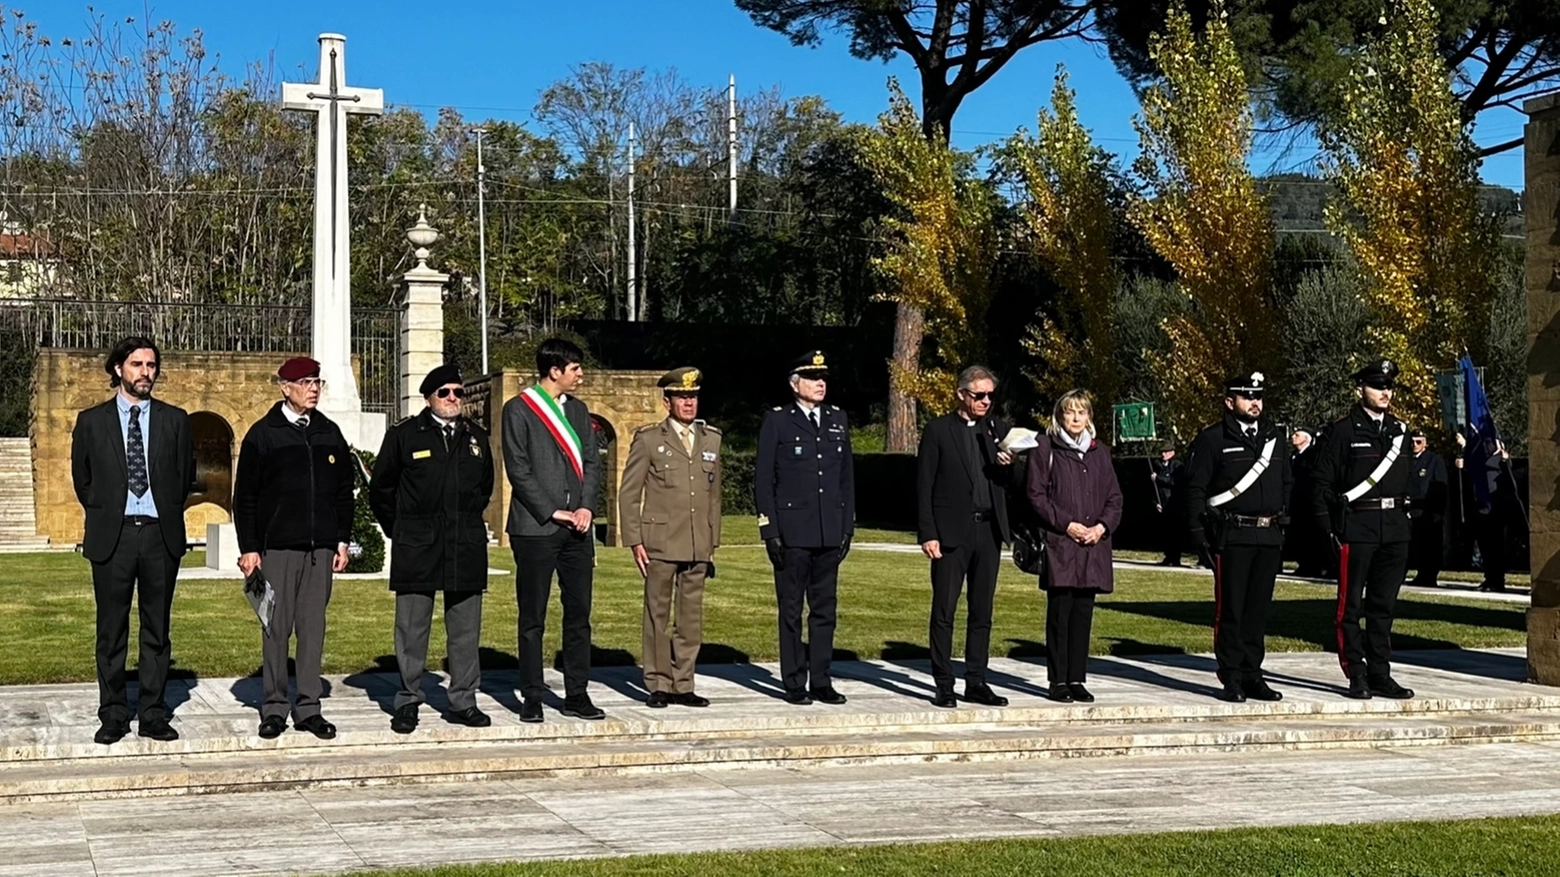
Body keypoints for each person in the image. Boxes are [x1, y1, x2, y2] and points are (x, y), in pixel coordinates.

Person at [70, 336, 195, 745]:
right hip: (115, 536)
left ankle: (154, 713)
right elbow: (83, 481)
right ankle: (113, 713)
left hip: (160, 535)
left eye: (152, 365)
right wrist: (109, 512)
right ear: (118, 369)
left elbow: (183, 477)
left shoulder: (176, 420)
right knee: (111, 630)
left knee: (157, 630)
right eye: (137, 364)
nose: (146, 372)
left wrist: (159, 512)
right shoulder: (91, 421)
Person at [233, 356, 356, 739]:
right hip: (278, 549)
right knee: (275, 626)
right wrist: (250, 547)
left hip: (320, 550)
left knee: (312, 629)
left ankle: (308, 708)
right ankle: (273, 706)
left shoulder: (329, 433)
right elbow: (246, 497)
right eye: (305, 382)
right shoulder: (263, 434)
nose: (313, 388)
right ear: (284, 387)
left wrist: (342, 539)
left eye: (317, 382)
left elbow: (343, 493)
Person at [369, 364, 495, 734]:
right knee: (411, 628)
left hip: (464, 543)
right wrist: (402, 530)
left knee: (465, 630)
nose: (454, 398)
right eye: (445, 393)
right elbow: (382, 490)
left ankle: (463, 700)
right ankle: (408, 700)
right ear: (429, 398)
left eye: (458, 392)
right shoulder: (405, 435)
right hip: (417, 545)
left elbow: (484, 488)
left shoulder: (477, 437)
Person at [502, 337, 604, 722]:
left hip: (577, 530)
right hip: (536, 528)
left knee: (579, 614)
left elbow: (592, 463)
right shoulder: (519, 410)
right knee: (533, 617)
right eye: (575, 368)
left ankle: (577, 693)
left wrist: (585, 507)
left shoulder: (579, 411)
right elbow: (518, 469)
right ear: (554, 370)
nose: (581, 375)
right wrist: (553, 511)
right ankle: (531, 695)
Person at [1183, 372, 1292, 703]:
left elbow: (1286, 482)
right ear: (1230, 402)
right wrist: (1198, 533)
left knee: (1258, 610)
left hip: (1267, 535)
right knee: (1231, 609)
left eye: (1258, 396)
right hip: (1232, 535)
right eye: (1247, 397)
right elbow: (1196, 489)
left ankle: (1253, 673)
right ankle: (1231, 675)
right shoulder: (1213, 439)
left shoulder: (1274, 438)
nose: (1255, 402)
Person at [754, 350, 855, 706]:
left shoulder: (837, 419)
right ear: (795, 384)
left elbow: (845, 479)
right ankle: (794, 680)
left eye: (824, 377)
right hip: (793, 531)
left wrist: (847, 527)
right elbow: (764, 480)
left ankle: (821, 679)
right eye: (813, 377)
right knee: (792, 610)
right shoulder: (778, 421)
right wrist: (770, 530)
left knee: (825, 609)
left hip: (829, 529)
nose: (821, 383)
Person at [618, 366, 722, 708]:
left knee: (690, 617)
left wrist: (713, 541)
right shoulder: (649, 440)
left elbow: (714, 497)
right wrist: (634, 540)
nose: (689, 403)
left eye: (692, 397)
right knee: (657, 614)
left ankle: (684, 682)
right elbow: (629, 493)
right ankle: (658, 682)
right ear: (667, 402)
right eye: (681, 397)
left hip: (696, 543)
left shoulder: (711, 440)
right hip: (659, 542)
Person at [1312, 358, 1416, 700]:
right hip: (1357, 527)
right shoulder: (1343, 431)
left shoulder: (1400, 431)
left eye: (1388, 387)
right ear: (1361, 390)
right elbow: (1321, 483)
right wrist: (1329, 530)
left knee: (1383, 606)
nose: (1385, 392)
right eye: (1377, 386)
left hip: (1395, 530)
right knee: (1350, 607)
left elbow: (1409, 483)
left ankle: (1380, 673)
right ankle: (1356, 673)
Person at [915, 365, 1015, 709]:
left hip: (988, 531)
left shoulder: (997, 430)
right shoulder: (939, 430)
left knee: (982, 611)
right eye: (979, 395)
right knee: (944, 609)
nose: (986, 401)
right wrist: (928, 533)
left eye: (990, 395)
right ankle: (944, 682)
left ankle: (977, 680)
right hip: (950, 533)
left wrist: (1008, 464)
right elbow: (924, 484)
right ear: (961, 394)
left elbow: (1012, 483)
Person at [1027, 389, 1123, 704]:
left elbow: (1114, 498)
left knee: (1083, 613)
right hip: (1061, 544)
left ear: (1089, 417)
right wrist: (1066, 523)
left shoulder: (1100, 453)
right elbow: (1036, 496)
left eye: (1082, 412)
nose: (1076, 418)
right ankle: (1058, 680)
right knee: (1060, 612)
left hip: (1093, 546)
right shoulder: (1045, 448)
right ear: (1060, 416)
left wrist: (1102, 527)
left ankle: (1077, 678)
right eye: (1070, 412)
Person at [1406, 429, 1449, 589]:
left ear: (1425, 443)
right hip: (1411, 510)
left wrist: (1438, 511)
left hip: (1428, 511)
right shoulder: (1407, 460)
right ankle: (1419, 573)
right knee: (1414, 544)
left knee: (1430, 546)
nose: (1415, 445)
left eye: (1419, 441)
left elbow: (1440, 486)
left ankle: (1428, 575)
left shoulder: (1434, 460)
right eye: (1412, 442)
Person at [1287, 426, 1332, 579]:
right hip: (1296, 500)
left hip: (1307, 500)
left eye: (1297, 434)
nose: (1293, 437)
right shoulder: (1294, 456)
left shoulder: (1312, 454)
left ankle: (1315, 565)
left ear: (1306, 438)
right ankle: (1304, 564)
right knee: (1298, 534)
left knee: (1310, 535)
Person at [1151, 439, 1185, 566]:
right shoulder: (1157, 466)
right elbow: (1155, 489)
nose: (1163, 454)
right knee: (1165, 533)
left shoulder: (1178, 466)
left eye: (1165, 452)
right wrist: (1156, 502)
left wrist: (1158, 478)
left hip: (1174, 504)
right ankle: (1168, 556)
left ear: (1172, 453)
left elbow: (1175, 482)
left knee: (1175, 532)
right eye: (1162, 452)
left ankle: (1176, 557)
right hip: (1163, 504)